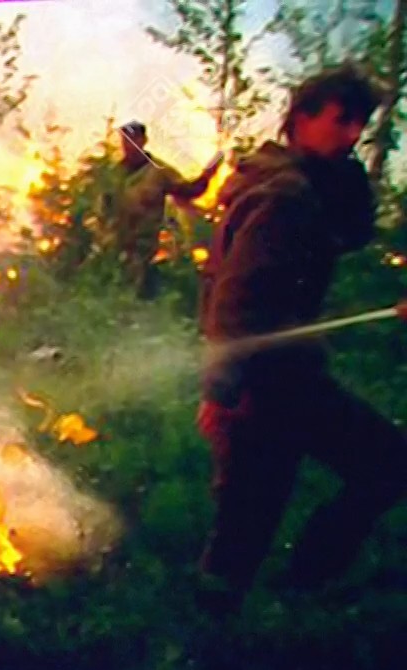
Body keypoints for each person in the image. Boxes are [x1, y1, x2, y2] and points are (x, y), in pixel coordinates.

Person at [196, 66, 407, 615]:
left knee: (385, 465)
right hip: (260, 382)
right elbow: (234, 302)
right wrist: (224, 391)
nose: (352, 134)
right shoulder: (285, 195)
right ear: (301, 119)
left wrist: (347, 175)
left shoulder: (305, 184)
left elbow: (353, 231)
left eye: (360, 123)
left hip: (288, 375)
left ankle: (295, 593)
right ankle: (233, 625)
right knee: (246, 525)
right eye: (341, 120)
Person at [110, 120, 222, 299]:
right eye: (126, 140)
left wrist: (209, 172)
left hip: (147, 251)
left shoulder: (159, 172)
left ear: (143, 141)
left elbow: (190, 190)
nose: (129, 146)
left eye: (133, 140)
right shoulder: (112, 173)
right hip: (114, 252)